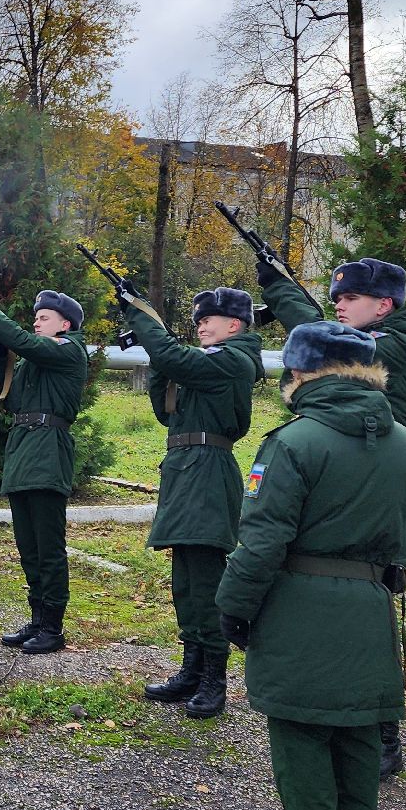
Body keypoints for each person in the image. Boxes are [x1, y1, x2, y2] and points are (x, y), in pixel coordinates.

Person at [217, 321, 406, 810]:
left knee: (302, 744)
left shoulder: (292, 443)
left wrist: (233, 607)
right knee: (358, 743)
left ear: (301, 371)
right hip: (372, 609)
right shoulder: (404, 442)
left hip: (300, 610)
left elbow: (262, 541)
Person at [259, 254, 406, 779]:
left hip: (375, 477)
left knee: (369, 612)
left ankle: (383, 736)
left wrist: (277, 287)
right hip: (358, 470)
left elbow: (318, 338)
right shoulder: (378, 339)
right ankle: (354, 724)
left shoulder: (396, 343)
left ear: (384, 305)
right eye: (337, 297)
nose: (339, 305)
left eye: (351, 297)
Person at [126, 287, 265, 720]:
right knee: (185, 580)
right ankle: (192, 668)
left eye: (209, 319)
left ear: (235, 325)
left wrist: (142, 318)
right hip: (185, 467)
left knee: (205, 580)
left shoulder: (233, 360)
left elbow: (177, 359)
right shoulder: (206, 364)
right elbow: (166, 412)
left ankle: (213, 679)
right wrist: (160, 362)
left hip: (207, 469)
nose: (201, 326)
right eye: (199, 320)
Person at [0, 286, 89, 656]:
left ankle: (52, 627)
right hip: (23, 452)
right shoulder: (35, 362)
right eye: (36, 317)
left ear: (64, 325)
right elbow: (6, 397)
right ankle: (37, 619)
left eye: (44, 317)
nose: (36, 322)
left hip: (48, 453)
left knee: (48, 547)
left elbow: (27, 343)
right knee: (28, 547)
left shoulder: (69, 350)